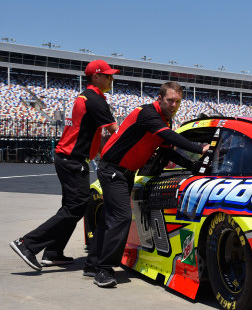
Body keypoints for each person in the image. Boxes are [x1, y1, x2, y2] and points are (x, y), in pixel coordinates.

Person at [86, 81, 208, 288]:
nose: (174, 105)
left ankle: (92, 264)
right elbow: (168, 137)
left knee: (109, 217)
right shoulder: (148, 113)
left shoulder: (164, 120)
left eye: (178, 102)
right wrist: (198, 148)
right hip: (112, 168)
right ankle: (104, 270)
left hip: (125, 172)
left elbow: (167, 150)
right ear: (159, 99)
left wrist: (192, 165)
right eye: (170, 100)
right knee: (122, 216)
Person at [10, 60, 120, 271]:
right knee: (77, 205)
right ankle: (27, 244)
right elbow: (116, 131)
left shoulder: (86, 96)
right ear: (95, 77)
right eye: (107, 75)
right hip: (72, 160)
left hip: (68, 158)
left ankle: (53, 252)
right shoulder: (95, 99)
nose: (111, 79)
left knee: (72, 207)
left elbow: (92, 133)